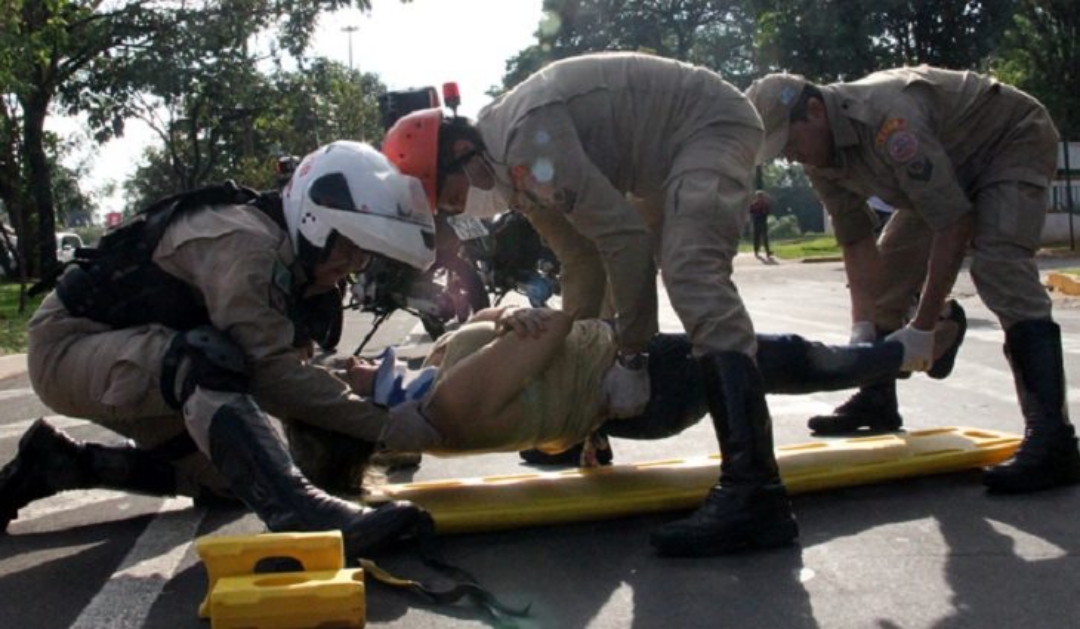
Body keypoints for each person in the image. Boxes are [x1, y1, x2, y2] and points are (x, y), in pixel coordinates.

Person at [381, 51, 794, 556]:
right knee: (626, 258)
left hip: (708, 125)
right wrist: (580, 368)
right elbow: (580, 258)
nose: (453, 210)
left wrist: (631, 358)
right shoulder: (510, 171)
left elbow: (625, 242)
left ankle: (756, 491)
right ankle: (610, 436)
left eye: (447, 196)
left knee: (691, 272)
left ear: (464, 153)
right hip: (665, 157)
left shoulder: (524, 146)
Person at [0, 141, 439, 555]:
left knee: (232, 481)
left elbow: (287, 361)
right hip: (70, 346)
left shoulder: (288, 256)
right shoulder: (248, 244)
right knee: (207, 360)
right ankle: (302, 516)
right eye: (347, 245)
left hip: (138, 354)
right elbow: (272, 376)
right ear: (315, 220)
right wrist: (396, 426)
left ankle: (59, 463)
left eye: (363, 254)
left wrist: (358, 385)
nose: (352, 265)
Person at [746, 66, 1080, 493]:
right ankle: (877, 397)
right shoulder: (820, 156)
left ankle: (1053, 440)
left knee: (998, 267)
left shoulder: (889, 120)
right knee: (886, 279)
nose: (791, 157)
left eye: (790, 143)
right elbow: (855, 240)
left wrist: (922, 326)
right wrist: (863, 331)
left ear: (815, 110)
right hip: (941, 170)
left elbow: (953, 222)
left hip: (1008, 141)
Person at [312, 301, 965, 479]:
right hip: (650, 382)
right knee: (783, 360)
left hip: (629, 388)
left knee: (781, 361)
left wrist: (505, 314)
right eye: (347, 375)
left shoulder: (431, 390)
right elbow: (548, 327)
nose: (350, 362)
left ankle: (901, 353)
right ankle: (910, 350)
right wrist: (514, 316)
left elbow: (516, 325)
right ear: (367, 409)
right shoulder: (445, 403)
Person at [749, 190, 774, 258]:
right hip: (757, 222)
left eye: (761, 196)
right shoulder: (754, 204)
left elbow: (767, 212)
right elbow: (751, 212)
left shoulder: (764, 204)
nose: (760, 198)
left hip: (761, 221)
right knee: (757, 237)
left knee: (764, 237)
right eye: (759, 196)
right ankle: (757, 250)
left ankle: (766, 251)